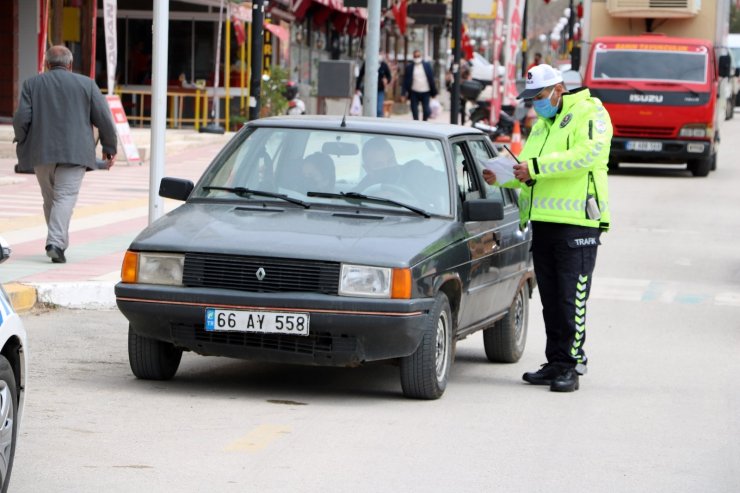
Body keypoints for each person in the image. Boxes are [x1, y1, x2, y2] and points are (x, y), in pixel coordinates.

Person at [482, 64, 612, 393]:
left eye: (539, 96)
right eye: (531, 98)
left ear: (557, 89)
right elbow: (524, 168)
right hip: (544, 223)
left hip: (578, 223)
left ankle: (572, 364)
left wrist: (534, 168)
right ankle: (555, 361)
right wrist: (502, 175)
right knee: (551, 299)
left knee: (572, 298)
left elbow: (585, 156)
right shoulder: (541, 126)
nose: (536, 104)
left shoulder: (590, 114)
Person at [13, 45, 117, 264]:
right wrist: (109, 147)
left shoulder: (31, 84)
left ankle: (57, 241)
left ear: (46, 64)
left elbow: (21, 117)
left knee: (51, 198)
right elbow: (104, 118)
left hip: (41, 152)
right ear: (70, 65)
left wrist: (22, 140)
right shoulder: (87, 84)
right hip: (75, 151)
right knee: (65, 197)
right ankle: (56, 243)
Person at [402, 50, 438, 121]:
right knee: (414, 111)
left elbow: (431, 79)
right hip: (414, 92)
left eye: (418, 56)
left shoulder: (427, 66)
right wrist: (403, 93)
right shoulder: (409, 67)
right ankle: (416, 124)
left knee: (426, 111)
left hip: (425, 92)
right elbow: (405, 81)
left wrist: (434, 93)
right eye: (415, 56)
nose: (417, 58)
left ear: (421, 56)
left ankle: (424, 123)